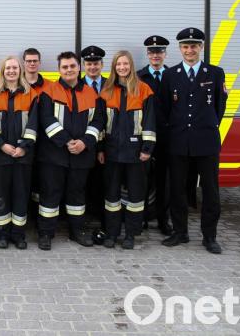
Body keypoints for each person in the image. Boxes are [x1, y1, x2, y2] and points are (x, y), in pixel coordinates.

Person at [159, 27, 226, 254]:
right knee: (177, 190)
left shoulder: (215, 73)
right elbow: (166, 109)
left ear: (201, 47)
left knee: (210, 191)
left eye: (194, 46)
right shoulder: (170, 75)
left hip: (206, 142)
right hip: (178, 142)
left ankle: (210, 236)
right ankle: (180, 232)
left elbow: (219, 107)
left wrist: (205, 125)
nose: (190, 50)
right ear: (180, 49)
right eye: (185, 46)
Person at [36, 51, 105, 250]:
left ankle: (77, 231)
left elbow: (99, 120)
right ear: (59, 70)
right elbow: (46, 120)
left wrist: (84, 142)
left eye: (72, 66)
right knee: (50, 194)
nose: (69, 70)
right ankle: (46, 233)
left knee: (77, 195)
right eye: (65, 67)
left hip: (82, 155)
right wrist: (67, 141)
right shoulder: (49, 92)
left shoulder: (93, 95)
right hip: (54, 155)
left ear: (79, 68)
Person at [97, 51, 156, 249]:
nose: (122, 67)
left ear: (131, 66)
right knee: (111, 196)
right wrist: (100, 149)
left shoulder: (144, 90)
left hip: (135, 152)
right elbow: (101, 124)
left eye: (125, 64)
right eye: (118, 64)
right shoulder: (106, 91)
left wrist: (147, 148)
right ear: (114, 67)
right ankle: (112, 234)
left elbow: (149, 122)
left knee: (136, 197)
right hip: (112, 152)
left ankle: (130, 234)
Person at [0, 56, 39, 249]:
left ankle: (18, 234)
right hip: (1, 155)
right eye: (8, 68)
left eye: (15, 68)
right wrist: (2, 145)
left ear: (20, 70)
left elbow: (33, 124)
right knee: (1, 194)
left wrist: (24, 147)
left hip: (23, 155)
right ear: (2, 71)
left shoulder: (31, 94)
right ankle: (2, 233)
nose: (11, 71)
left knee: (20, 194)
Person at [136, 36, 173, 236]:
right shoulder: (139, 77)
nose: (155, 55)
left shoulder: (173, 75)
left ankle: (163, 221)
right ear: (148, 54)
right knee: (142, 180)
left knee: (164, 181)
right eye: (152, 52)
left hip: (167, 138)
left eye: (159, 52)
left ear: (165, 54)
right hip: (144, 137)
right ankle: (140, 219)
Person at [80, 45, 109, 241]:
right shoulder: (76, 85)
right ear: (84, 65)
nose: (92, 67)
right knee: (81, 183)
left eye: (96, 63)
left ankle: (99, 216)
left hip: (104, 143)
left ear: (101, 64)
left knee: (101, 182)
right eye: (89, 63)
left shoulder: (111, 85)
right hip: (81, 144)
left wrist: (101, 147)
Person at [22, 47, 52, 211]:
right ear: (24, 63)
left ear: (39, 63)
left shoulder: (50, 86)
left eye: (35, 61)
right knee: (24, 178)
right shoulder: (16, 84)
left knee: (41, 178)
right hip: (22, 140)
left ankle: (36, 212)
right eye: (28, 61)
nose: (32, 64)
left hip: (44, 140)